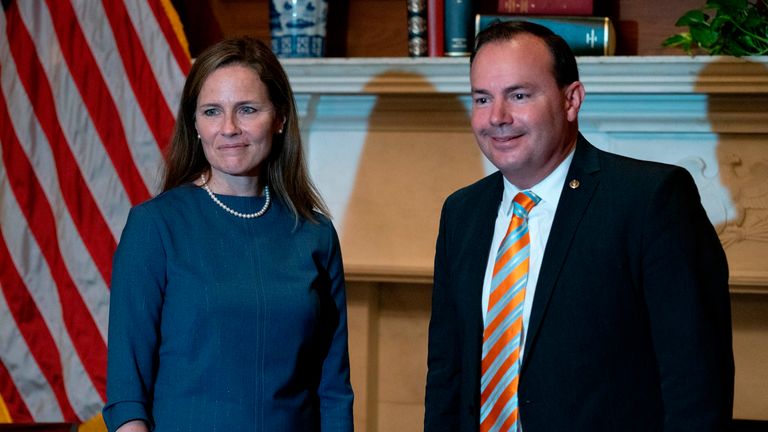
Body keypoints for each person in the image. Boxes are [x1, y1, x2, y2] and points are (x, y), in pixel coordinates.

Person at [424, 21, 734, 432]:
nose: (496, 117)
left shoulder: (650, 200)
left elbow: (696, 383)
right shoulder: (461, 213)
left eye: (518, 95)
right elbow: (447, 375)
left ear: (571, 100)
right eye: (482, 98)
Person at [103, 36, 353, 431]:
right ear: (195, 124)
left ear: (280, 118)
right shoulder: (155, 227)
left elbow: (334, 390)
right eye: (212, 111)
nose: (229, 128)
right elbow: (126, 393)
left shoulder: (315, 233)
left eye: (248, 109)